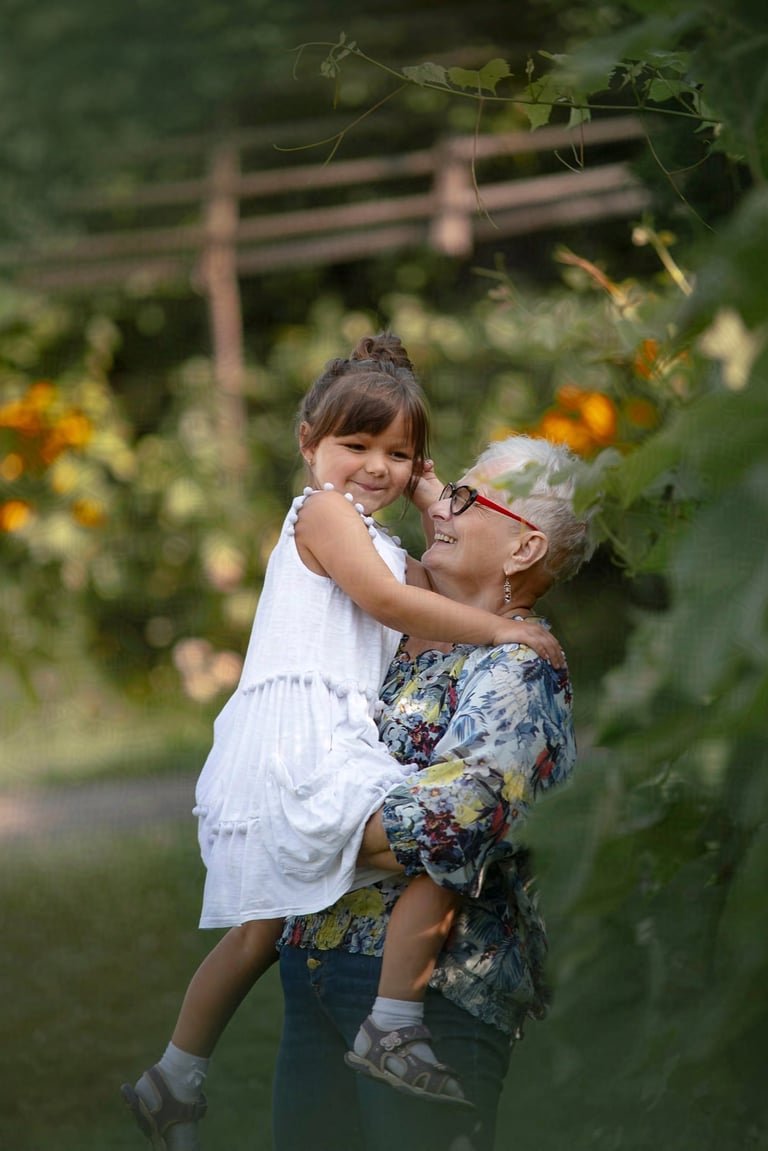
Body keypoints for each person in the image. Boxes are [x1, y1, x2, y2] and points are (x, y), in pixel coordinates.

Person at [121, 335, 563, 1151]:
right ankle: (388, 1023)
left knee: (262, 925)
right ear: (308, 445)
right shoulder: (325, 517)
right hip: (303, 744)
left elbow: (430, 585)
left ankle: (176, 1074)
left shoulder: (394, 551)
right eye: (355, 445)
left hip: (316, 751)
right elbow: (395, 603)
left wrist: (432, 487)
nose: (377, 466)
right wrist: (504, 623)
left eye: (398, 454)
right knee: (355, 874)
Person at [272, 432, 595, 1151]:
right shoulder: (408, 630)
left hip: (436, 999)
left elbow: (451, 824)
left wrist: (297, 831)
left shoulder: (521, 669)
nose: (441, 507)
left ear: (523, 550)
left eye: (466, 498)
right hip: (316, 961)